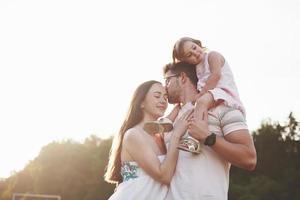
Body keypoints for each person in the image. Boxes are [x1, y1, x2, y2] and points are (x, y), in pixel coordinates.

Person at [163, 62, 257, 199]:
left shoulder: (223, 108)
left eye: (167, 81)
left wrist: (208, 137)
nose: (164, 87)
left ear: (182, 77)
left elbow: (249, 158)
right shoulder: (170, 122)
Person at [104, 80, 191, 200]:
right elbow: (164, 176)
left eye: (165, 97)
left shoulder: (161, 134)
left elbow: (171, 116)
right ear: (141, 103)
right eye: (157, 96)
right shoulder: (133, 134)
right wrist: (176, 135)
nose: (162, 100)